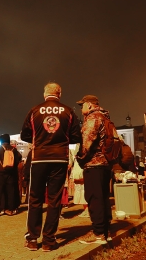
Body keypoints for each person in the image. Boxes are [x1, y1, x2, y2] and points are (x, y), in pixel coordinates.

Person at [21, 82, 81, 252]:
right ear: (59, 94)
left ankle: (32, 238)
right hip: (59, 159)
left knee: (35, 198)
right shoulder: (68, 111)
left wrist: (38, 139)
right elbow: (76, 136)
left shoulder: (35, 110)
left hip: (39, 159)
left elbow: (25, 133)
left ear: (45, 94)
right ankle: (49, 240)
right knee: (54, 200)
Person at [74, 95, 113, 245]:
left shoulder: (93, 118)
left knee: (94, 198)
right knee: (103, 198)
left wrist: (80, 158)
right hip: (105, 164)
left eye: (82, 105)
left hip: (94, 164)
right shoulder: (105, 117)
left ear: (89, 105)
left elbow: (87, 141)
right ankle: (105, 231)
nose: (80, 108)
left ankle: (98, 234)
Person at [0, 134, 20, 217]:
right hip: (10, 173)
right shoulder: (13, 149)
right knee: (10, 191)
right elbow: (18, 159)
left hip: (0, 172)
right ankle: (10, 209)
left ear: (1, 140)